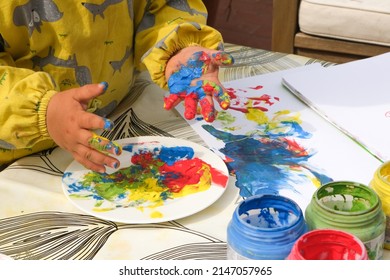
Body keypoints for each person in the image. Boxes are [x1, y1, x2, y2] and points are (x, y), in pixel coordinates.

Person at [0, 0, 234, 172]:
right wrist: (43, 111)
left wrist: (178, 46)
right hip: (21, 155)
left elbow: (162, 6)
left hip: (116, 123)